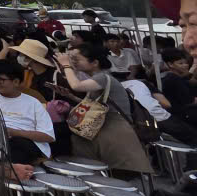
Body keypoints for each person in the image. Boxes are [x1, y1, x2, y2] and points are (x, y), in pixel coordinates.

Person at [53, 44, 151, 173]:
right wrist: (70, 96)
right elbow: (94, 106)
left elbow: (76, 86)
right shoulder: (97, 78)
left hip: (113, 129)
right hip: (108, 126)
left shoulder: (102, 77)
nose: (73, 62)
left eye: (77, 59)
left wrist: (66, 65)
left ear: (94, 63)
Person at [0, 59, 55, 165]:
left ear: (16, 82)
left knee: (16, 144)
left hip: (21, 142)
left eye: (1, 80)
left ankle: (5, 168)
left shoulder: (33, 102)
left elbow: (48, 136)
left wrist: (14, 132)